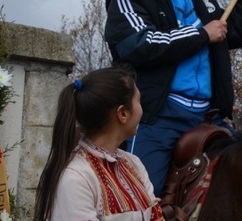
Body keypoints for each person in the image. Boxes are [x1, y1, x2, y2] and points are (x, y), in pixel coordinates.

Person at [104, 0, 242, 192]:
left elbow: (234, 33)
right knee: (143, 199)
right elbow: (138, 45)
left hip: (208, 117)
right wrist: (201, 35)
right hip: (155, 117)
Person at [34, 67, 165, 221]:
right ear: (122, 113)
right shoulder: (76, 178)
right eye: (139, 101)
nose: (142, 110)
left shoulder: (133, 164)